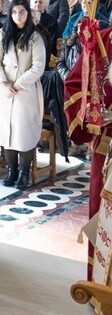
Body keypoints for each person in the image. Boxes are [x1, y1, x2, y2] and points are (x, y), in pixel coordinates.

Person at [64, 20, 112, 281]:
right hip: (107, 148)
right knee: (103, 214)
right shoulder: (101, 39)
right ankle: (101, 287)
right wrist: (92, 111)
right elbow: (73, 84)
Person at [0, 0, 46, 189]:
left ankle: (23, 172)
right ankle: (11, 170)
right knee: (7, 131)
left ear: (27, 14)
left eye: (21, 12)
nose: (18, 16)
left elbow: (38, 66)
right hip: (3, 91)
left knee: (23, 132)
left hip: (25, 91)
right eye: (14, 12)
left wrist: (18, 85)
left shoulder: (35, 36)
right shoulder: (3, 33)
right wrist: (3, 83)